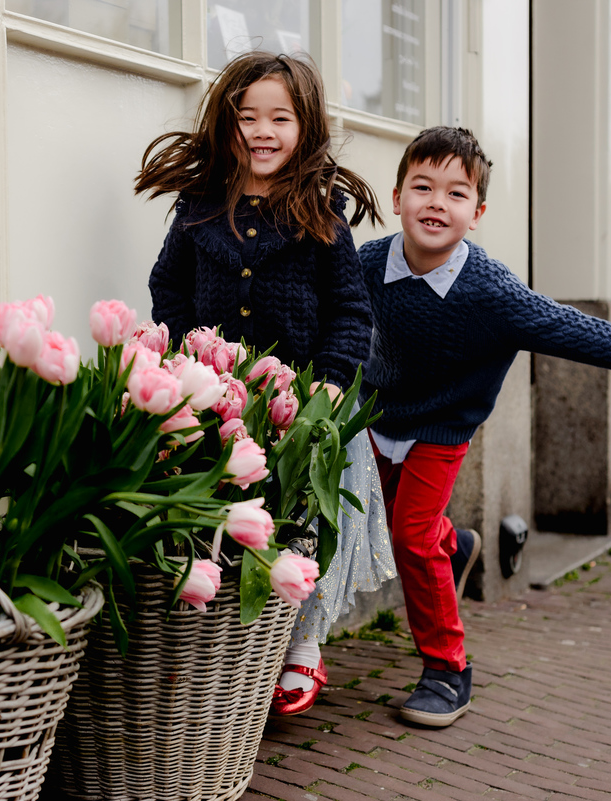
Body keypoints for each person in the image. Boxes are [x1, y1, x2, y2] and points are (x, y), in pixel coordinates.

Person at [360, 126, 611, 728]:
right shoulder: (366, 266)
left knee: (408, 535)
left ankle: (447, 669)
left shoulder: (493, 292)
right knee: (398, 528)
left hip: (444, 428)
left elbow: (595, 337)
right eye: (422, 187)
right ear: (397, 194)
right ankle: (454, 546)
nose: (436, 203)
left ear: (477, 213)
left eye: (456, 194)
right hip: (378, 420)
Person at [140, 51, 397, 716]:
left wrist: (333, 383)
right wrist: (182, 351)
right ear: (227, 127)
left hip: (302, 403)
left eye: (279, 118)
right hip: (222, 398)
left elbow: (349, 310)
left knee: (304, 523)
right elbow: (168, 282)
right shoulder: (200, 209)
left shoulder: (320, 214)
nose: (262, 130)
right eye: (247, 117)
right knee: (231, 517)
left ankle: (303, 646)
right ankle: (230, 639)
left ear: (305, 128)